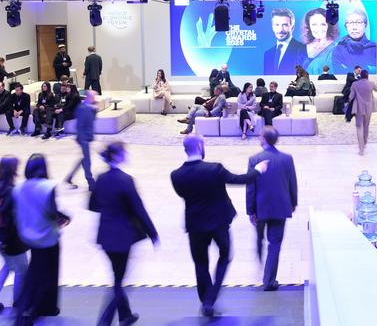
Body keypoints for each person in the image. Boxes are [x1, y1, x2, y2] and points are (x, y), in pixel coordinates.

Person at [170, 134, 269, 318]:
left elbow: (183, 195)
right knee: (225, 256)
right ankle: (211, 298)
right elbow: (239, 179)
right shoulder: (214, 169)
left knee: (200, 264)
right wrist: (258, 170)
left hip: (195, 225)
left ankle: (205, 300)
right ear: (200, 147)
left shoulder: (176, 175)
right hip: (219, 223)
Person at [89, 142, 159, 326]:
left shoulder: (101, 178)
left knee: (117, 276)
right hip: (122, 236)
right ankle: (104, 321)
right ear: (117, 156)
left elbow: (92, 205)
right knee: (119, 281)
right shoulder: (125, 180)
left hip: (105, 235)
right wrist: (152, 233)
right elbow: (139, 209)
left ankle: (125, 316)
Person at [13, 154, 70, 325]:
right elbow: (52, 212)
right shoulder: (48, 187)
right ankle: (41, 308)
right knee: (48, 274)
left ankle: (30, 309)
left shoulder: (18, 188)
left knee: (36, 270)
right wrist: (64, 218)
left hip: (29, 236)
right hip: (48, 236)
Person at [246, 127, 298, 291]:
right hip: (280, 207)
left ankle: (260, 261)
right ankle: (268, 280)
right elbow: (292, 182)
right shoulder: (287, 159)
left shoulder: (254, 159)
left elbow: (250, 187)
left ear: (263, 139)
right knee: (275, 243)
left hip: (260, 207)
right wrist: (293, 202)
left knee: (260, 237)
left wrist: (250, 210)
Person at [0, 156, 29, 315]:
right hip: (12, 239)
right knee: (22, 271)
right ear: (13, 170)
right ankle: (18, 305)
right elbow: (14, 219)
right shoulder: (13, 190)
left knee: (8, 267)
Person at [65, 90, 97, 191]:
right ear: (89, 97)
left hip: (86, 137)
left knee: (84, 159)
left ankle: (69, 177)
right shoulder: (82, 108)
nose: (95, 99)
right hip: (83, 138)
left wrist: (94, 110)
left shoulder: (89, 107)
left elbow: (92, 120)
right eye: (93, 97)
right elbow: (80, 125)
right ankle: (91, 182)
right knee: (87, 160)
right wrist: (83, 139)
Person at [331, 5, 377, 73]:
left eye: (358, 22)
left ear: (365, 25)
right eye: (350, 23)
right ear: (346, 27)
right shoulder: (338, 50)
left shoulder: (375, 49)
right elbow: (340, 74)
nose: (354, 27)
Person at [263, 8, 307, 74]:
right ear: (272, 27)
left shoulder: (302, 49)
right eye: (277, 25)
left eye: (285, 25)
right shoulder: (268, 54)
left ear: (292, 28)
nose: (280, 30)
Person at [300, 8, 338, 73]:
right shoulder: (301, 48)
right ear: (308, 26)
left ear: (329, 26)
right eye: (314, 24)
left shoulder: (336, 49)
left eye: (323, 24)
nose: (319, 28)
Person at [348, 69, 375, 154]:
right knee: (366, 126)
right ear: (367, 76)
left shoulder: (355, 84)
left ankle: (361, 148)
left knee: (359, 127)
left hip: (358, 108)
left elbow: (351, 96)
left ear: (360, 76)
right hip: (368, 108)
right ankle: (365, 143)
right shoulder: (371, 83)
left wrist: (348, 102)